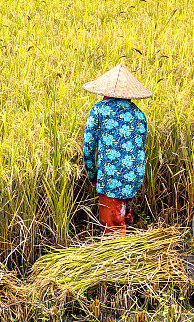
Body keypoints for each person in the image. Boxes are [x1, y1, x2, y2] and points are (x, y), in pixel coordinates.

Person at [82, 63, 151, 236]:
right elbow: (141, 147)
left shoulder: (99, 110)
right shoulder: (139, 114)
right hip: (133, 178)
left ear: (105, 91)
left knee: (112, 230)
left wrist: (93, 176)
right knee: (122, 217)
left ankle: (118, 261)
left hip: (110, 179)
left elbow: (88, 147)